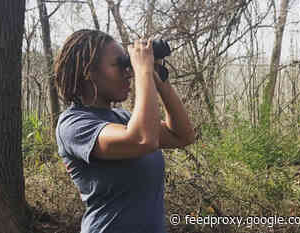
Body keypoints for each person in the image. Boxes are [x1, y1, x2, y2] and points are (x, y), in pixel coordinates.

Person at [54, 29, 195, 233]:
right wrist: (143, 71)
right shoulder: (73, 124)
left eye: (128, 64)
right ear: (89, 72)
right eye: (118, 64)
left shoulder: (125, 118)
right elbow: (142, 140)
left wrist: (158, 80)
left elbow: (182, 135)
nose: (128, 71)